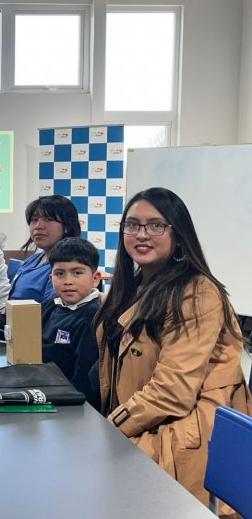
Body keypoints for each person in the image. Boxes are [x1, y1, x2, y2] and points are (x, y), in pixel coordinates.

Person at [97, 187, 251, 506]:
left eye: (156, 225)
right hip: (141, 423)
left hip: (181, 440)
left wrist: (107, 431)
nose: (142, 234)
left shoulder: (197, 293)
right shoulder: (135, 286)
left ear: (178, 235)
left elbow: (172, 392)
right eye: (133, 224)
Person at [0, 237, 102, 408]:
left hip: (63, 401)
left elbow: (83, 383)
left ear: (95, 279)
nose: (68, 281)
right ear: (50, 278)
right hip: (35, 381)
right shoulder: (52, 304)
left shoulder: (92, 318)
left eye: (77, 273)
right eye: (60, 273)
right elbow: (20, 320)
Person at [0, 194, 81, 340]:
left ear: (67, 226)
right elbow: (16, 309)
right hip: (13, 336)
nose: (38, 226)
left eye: (48, 219)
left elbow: (46, 319)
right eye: (34, 220)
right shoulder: (34, 259)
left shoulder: (65, 268)